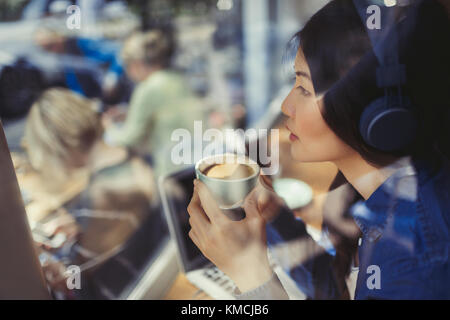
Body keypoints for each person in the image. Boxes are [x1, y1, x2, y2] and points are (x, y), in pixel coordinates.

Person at [187, 0, 450, 299]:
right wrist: (275, 220)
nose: (287, 106)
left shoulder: (415, 259)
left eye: (304, 89)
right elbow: (345, 289)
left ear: (376, 115)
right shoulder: (397, 196)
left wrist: (252, 274)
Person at [23, 88, 159, 299]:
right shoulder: (129, 157)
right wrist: (84, 224)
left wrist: (41, 258)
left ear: (62, 144)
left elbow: (75, 281)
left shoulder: (103, 193)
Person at [103, 30, 206, 176]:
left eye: (127, 66)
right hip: (197, 163)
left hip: (172, 171)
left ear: (136, 63)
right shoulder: (177, 78)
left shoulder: (148, 87)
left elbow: (129, 138)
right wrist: (129, 114)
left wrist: (108, 127)